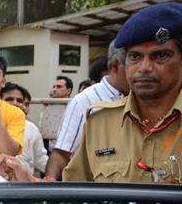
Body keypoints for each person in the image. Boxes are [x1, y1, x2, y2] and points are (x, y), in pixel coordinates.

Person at [0, 2, 182, 185]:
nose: (144, 67)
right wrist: (30, 181)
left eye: (160, 56)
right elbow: (74, 194)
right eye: (135, 57)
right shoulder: (99, 122)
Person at [42, 41, 130, 180]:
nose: (144, 69)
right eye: (135, 60)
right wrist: (50, 182)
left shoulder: (145, 99)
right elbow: (62, 152)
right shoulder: (85, 101)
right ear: (115, 66)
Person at [0, 83, 47, 176]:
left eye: (19, 100)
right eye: (9, 99)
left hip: (25, 185)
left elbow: (41, 160)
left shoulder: (31, 128)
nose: (15, 103)